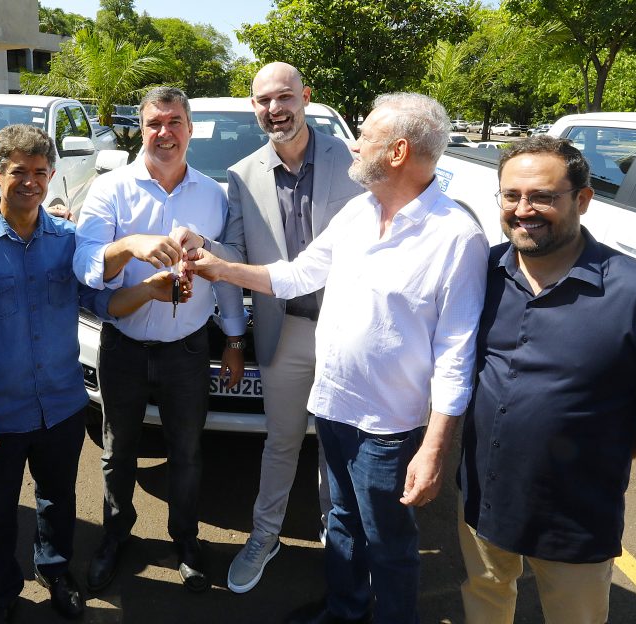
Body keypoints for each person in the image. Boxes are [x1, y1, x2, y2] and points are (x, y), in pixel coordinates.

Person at [186, 92, 488, 624]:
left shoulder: (456, 235)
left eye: (366, 134)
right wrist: (220, 267)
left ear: (396, 152)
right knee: (344, 523)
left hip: (389, 426)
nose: (353, 144)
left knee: (389, 542)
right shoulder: (358, 210)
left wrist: (435, 447)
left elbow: (456, 354)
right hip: (333, 406)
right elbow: (297, 275)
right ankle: (345, 612)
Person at [457, 135, 636, 624]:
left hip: (574, 513)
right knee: (485, 594)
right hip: (484, 495)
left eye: (543, 197)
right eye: (511, 195)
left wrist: (612, 445)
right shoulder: (483, 273)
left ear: (582, 199)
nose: (524, 209)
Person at [0, 123, 187, 624]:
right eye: (18, 172)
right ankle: (2, 591)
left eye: (39, 172)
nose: (30, 182)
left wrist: (152, 290)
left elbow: (103, 303)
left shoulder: (68, 241)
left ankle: (55, 572)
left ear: (52, 174)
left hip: (61, 404)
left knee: (57, 499)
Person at [73, 86, 247, 594]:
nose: (164, 133)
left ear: (190, 128)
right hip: (123, 345)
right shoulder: (111, 189)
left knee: (187, 452)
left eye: (174, 122)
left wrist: (234, 340)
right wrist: (128, 246)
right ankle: (114, 535)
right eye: (154, 124)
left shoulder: (213, 196)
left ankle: (185, 540)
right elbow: (85, 266)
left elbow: (226, 275)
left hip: (188, 350)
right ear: (141, 129)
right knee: (117, 450)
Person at [199, 61, 363, 594]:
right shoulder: (243, 175)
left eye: (284, 97)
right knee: (282, 441)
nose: (276, 109)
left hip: (350, 329)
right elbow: (239, 254)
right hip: (284, 330)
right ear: (254, 108)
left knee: (341, 443)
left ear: (306, 97)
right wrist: (202, 249)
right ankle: (265, 536)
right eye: (264, 101)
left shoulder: (356, 160)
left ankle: (338, 538)